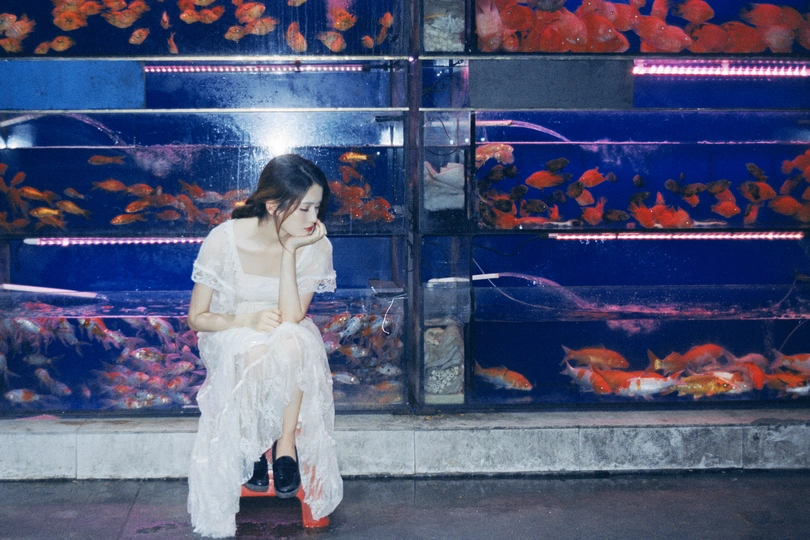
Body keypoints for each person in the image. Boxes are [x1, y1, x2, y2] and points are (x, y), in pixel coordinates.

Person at [186, 154, 343, 538]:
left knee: (293, 342)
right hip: (229, 331)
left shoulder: (314, 244)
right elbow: (198, 317)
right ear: (273, 205)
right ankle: (252, 445)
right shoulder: (224, 239)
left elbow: (291, 316)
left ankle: (284, 446)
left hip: (284, 331)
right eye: (304, 207)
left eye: (317, 207)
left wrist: (291, 250)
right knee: (255, 350)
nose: (313, 217)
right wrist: (246, 320)